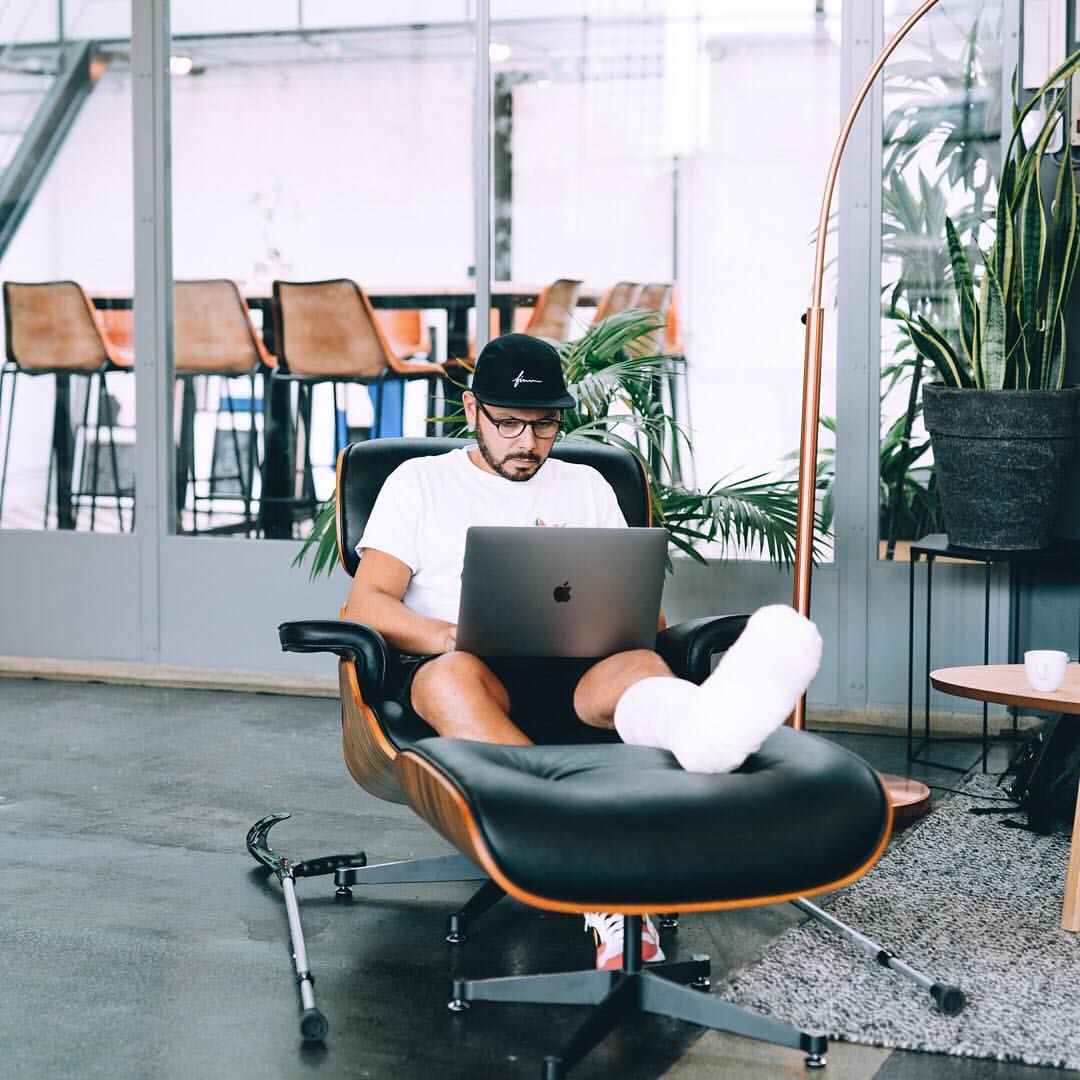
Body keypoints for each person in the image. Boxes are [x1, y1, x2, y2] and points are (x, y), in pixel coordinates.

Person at [345, 333, 823, 969]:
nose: (527, 442)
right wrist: (446, 636)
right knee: (447, 679)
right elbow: (366, 603)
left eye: (544, 426)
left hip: (575, 672)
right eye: (509, 423)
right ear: (470, 410)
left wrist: (617, 623)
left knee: (641, 664)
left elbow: (642, 617)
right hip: (465, 667)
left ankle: (705, 728)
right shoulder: (420, 483)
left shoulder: (589, 485)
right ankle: (598, 874)